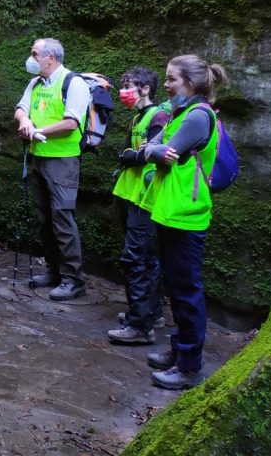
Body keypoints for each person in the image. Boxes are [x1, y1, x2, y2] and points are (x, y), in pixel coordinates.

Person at [140, 54, 228, 390]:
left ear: (190, 83)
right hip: (172, 211)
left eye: (171, 79)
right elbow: (154, 148)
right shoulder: (181, 114)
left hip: (186, 216)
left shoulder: (196, 117)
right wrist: (154, 149)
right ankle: (179, 351)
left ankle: (190, 366)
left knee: (187, 290)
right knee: (177, 288)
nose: (166, 84)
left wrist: (153, 150)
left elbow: (162, 155)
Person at [14, 38, 90, 301]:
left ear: (51, 58)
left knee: (62, 219)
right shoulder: (35, 83)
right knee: (44, 218)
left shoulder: (73, 83)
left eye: (34, 54)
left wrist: (37, 131)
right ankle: (54, 271)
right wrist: (25, 121)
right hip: (39, 158)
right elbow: (21, 108)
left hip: (63, 162)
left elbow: (71, 122)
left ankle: (73, 279)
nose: (31, 58)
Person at [107, 67, 170, 344]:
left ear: (146, 88)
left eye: (129, 85)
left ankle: (139, 326)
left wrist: (131, 156)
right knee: (145, 257)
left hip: (145, 198)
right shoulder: (138, 117)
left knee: (138, 259)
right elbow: (128, 153)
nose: (124, 91)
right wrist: (131, 155)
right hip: (129, 193)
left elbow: (146, 156)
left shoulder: (158, 117)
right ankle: (149, 313)